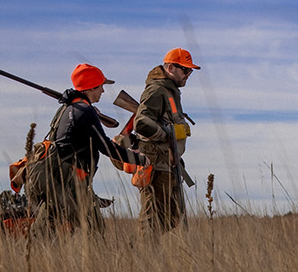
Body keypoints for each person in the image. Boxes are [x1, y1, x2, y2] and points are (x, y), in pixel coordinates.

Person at [38, 62, 125, 231]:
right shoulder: (83, 110)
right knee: (94, 230)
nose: (103, 91)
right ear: (91, 87)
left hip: (63, 178)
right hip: (72, 180)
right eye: (100, 87)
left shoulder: (69, 109)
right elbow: (105, 145)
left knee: (48, 228)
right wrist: (138, 159)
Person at [130, 47, 198, 232]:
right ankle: (141, 256)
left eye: (189, 70)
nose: (188, 74)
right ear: (170, 68)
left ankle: (145, 254)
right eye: (185, 69)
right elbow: (141, 123)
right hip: (156, 165)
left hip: (168, 164)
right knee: (152, 219)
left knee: (172, 215)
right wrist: (168, 134)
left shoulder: (171, 92)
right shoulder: (157, 90)